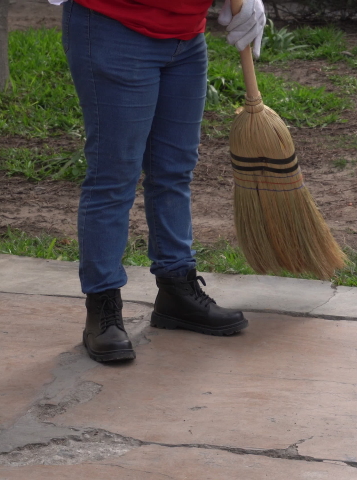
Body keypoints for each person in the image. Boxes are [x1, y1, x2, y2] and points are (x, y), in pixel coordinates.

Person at [49, 0, 267, 362]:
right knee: (113, 176)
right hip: (114, 25)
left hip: (185, 36)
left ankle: (177, 290)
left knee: (174, 170)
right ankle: (103, 309)